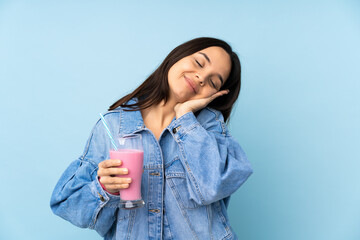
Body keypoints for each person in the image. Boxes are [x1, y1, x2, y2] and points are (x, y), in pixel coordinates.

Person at [50, 37, 253, 240]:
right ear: (177, 56)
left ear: (216, 94)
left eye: (213, 82)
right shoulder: (113, 126)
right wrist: (103, 188)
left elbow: (213, 187)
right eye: (199, 62)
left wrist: (185, 117)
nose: (201, 77)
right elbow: (68, 205)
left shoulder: (210, 128)